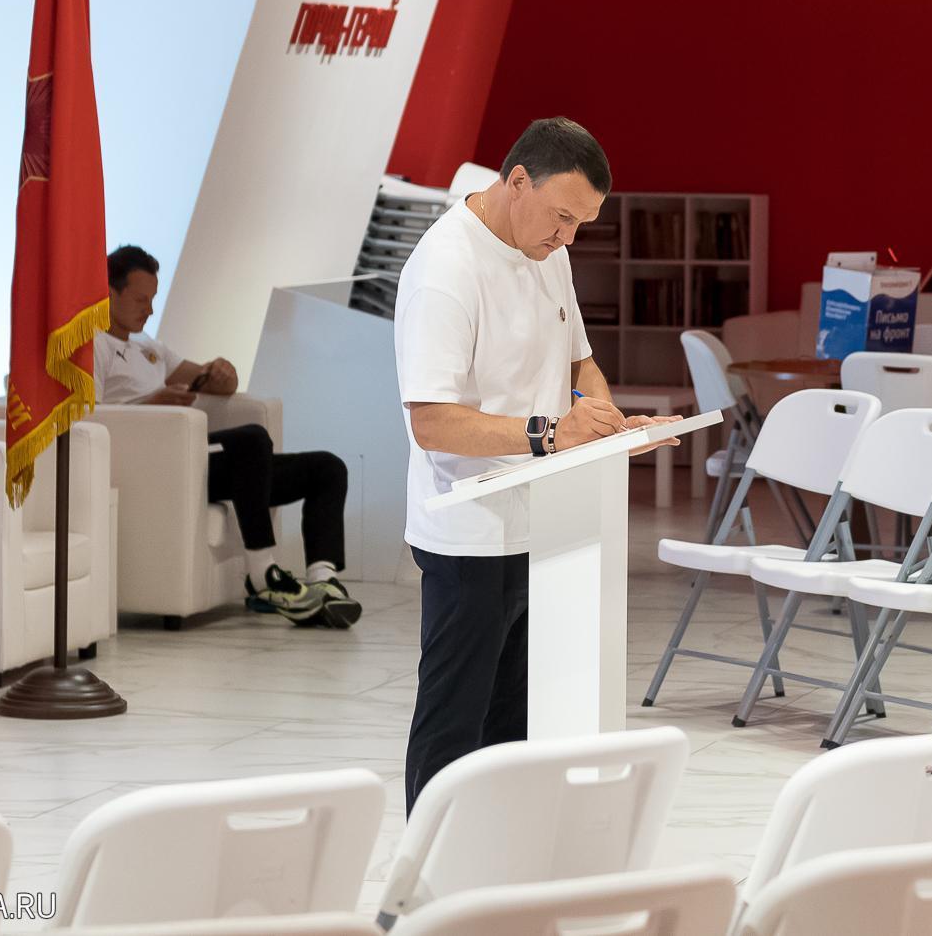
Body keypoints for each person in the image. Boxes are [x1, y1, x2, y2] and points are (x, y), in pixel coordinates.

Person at [395, 117, 676, 809]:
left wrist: (607, 423)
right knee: (453, 721)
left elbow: (580, 362)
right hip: (468, 530)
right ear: (517, 180)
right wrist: (553, 434)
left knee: (516, 722)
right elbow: (431, 421)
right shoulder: (445, 269)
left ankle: (500, 853)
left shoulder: (549, 252)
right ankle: (430, 864)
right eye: (562, 217)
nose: (568, 238)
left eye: (581, 223)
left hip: (541, 520)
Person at [97, 244, 360, 629]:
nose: (149, 310)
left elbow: (219, 385)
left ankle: (323, 579)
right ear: (109, 293)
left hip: (195, 461)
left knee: (327, 467)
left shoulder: (150, 348)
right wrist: (151, 403)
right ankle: (262, 575)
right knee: (251, 439)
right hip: (156, 465)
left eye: (153, 299)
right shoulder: (92, 345)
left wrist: (223, 373)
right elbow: (88, 417)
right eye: (140, 300)